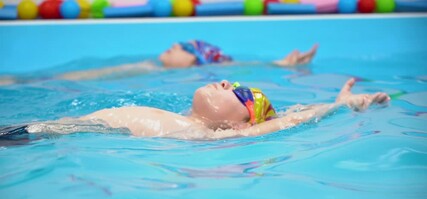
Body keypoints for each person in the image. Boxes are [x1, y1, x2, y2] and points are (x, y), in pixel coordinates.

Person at [0, 78, 390, 142]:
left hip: (34, 138)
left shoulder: (215, 135)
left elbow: (290, 120)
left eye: (239, 92)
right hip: (35, 129)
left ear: (242, 121)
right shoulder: (183, 119)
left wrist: (339, 106)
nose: (226, 82)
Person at [0, 41, 318, 84]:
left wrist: (280, 64)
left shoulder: (154, 70)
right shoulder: (150, 67)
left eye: (180, 47)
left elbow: (235, 67)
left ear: (196, 60)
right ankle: (23, 81)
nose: (170, 47)